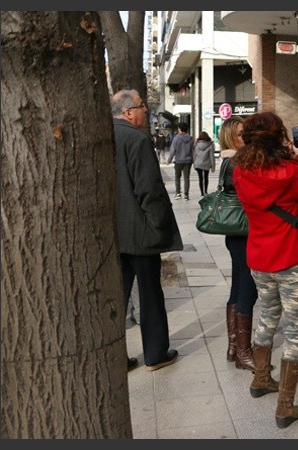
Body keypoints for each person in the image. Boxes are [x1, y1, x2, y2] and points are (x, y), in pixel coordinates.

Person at [232, 111, 298, 429]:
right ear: (279, 137)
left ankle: (260, 379)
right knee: (294, 328)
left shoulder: (240, 171)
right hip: (292, 258)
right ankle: (285, 405)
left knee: (267, 316)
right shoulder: (292, 168)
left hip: (258, 256)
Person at [111, 89, 182, 372]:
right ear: (129, 112)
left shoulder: (104, 135)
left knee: (117, 295)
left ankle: (115, 355)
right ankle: (155, 353)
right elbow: (149, 189)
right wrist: (159, 224)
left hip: (113, 232)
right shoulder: (137, 139)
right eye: (142, 107)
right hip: (141, 231)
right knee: (150, 292)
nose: (146, 111)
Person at [219, 117, 259, 370]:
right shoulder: (236, 163)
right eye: (243, 134)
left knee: (237, 287)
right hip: (244, 233)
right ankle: (244, 353)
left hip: (237, 234)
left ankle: (234, 346)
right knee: (248, 289)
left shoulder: (229, 161)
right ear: (231, 137)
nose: (248, 138)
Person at [167, 122, 194, 200]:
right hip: (188, 161)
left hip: (178, 161)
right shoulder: (191, 139)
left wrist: (169, 160)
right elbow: (193, 151)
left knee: (177, 177)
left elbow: (172, 150)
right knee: (186, 178)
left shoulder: (176, 138)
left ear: (180, 129)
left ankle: (178, 193)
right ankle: (186, 194)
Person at [193, 130, 215, 196]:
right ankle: (205, 191)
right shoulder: (210, 144)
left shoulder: (196, 144)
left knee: (200, 179)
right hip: (206, 163)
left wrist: (194, 163)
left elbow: (194, 154)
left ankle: (202, 193)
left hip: (198, 163)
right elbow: (211, 156)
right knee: (206, 178)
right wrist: (213, 166)